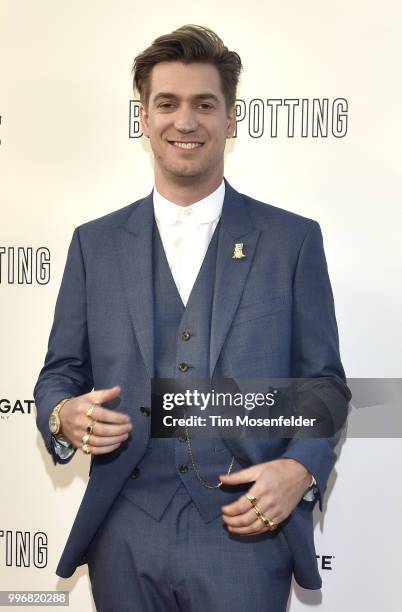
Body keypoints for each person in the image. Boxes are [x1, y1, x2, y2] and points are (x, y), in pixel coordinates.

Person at [34, 24, 351, 612]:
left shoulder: (292, 241)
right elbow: (60, 375)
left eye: (205, 104)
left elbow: (324, 387)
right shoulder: (93, 245)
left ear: (231, 119)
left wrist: (301, 469)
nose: (186, 121)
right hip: (124, 531)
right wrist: (63, 413)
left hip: (245, 534)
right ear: (144, 118)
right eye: (168, 103)